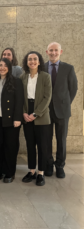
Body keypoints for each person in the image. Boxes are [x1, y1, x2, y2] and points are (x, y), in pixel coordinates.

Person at [44, 42, 78, 178]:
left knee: (61, 140)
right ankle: (48, 165)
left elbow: (73, 88)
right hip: (45, 110)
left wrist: (66, 103)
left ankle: (59, 166)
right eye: (51, 50)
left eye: (56, 50)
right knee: (46, 139)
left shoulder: (68, 68)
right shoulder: (42, 67)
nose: (53, 53)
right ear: (47, 52)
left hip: (62, 110)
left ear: (61, 52)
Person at [20, 51, 52, 186]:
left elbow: (47, 98)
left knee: (42, 146)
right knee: (30, 145)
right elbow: (20, 98)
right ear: (26, 62)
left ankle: (41, 173)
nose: (32, 61)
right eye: (29, 59)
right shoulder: (23, 77)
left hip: (41, 115)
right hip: (27, 114)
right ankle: (32, 171)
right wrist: (24, 113)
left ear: (39, 62)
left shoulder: (45, 77)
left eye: (35, 59)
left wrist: (35, 114)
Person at [0, 58, 24, 183]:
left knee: (10, 146)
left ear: (9, 67)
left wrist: (17, 118)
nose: (2, 67)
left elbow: (19, 101)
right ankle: (0, 170)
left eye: (5, 65)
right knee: (0, 146)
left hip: (11, 120)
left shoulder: (16, 82)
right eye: (0, 65)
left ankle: (10, 173)